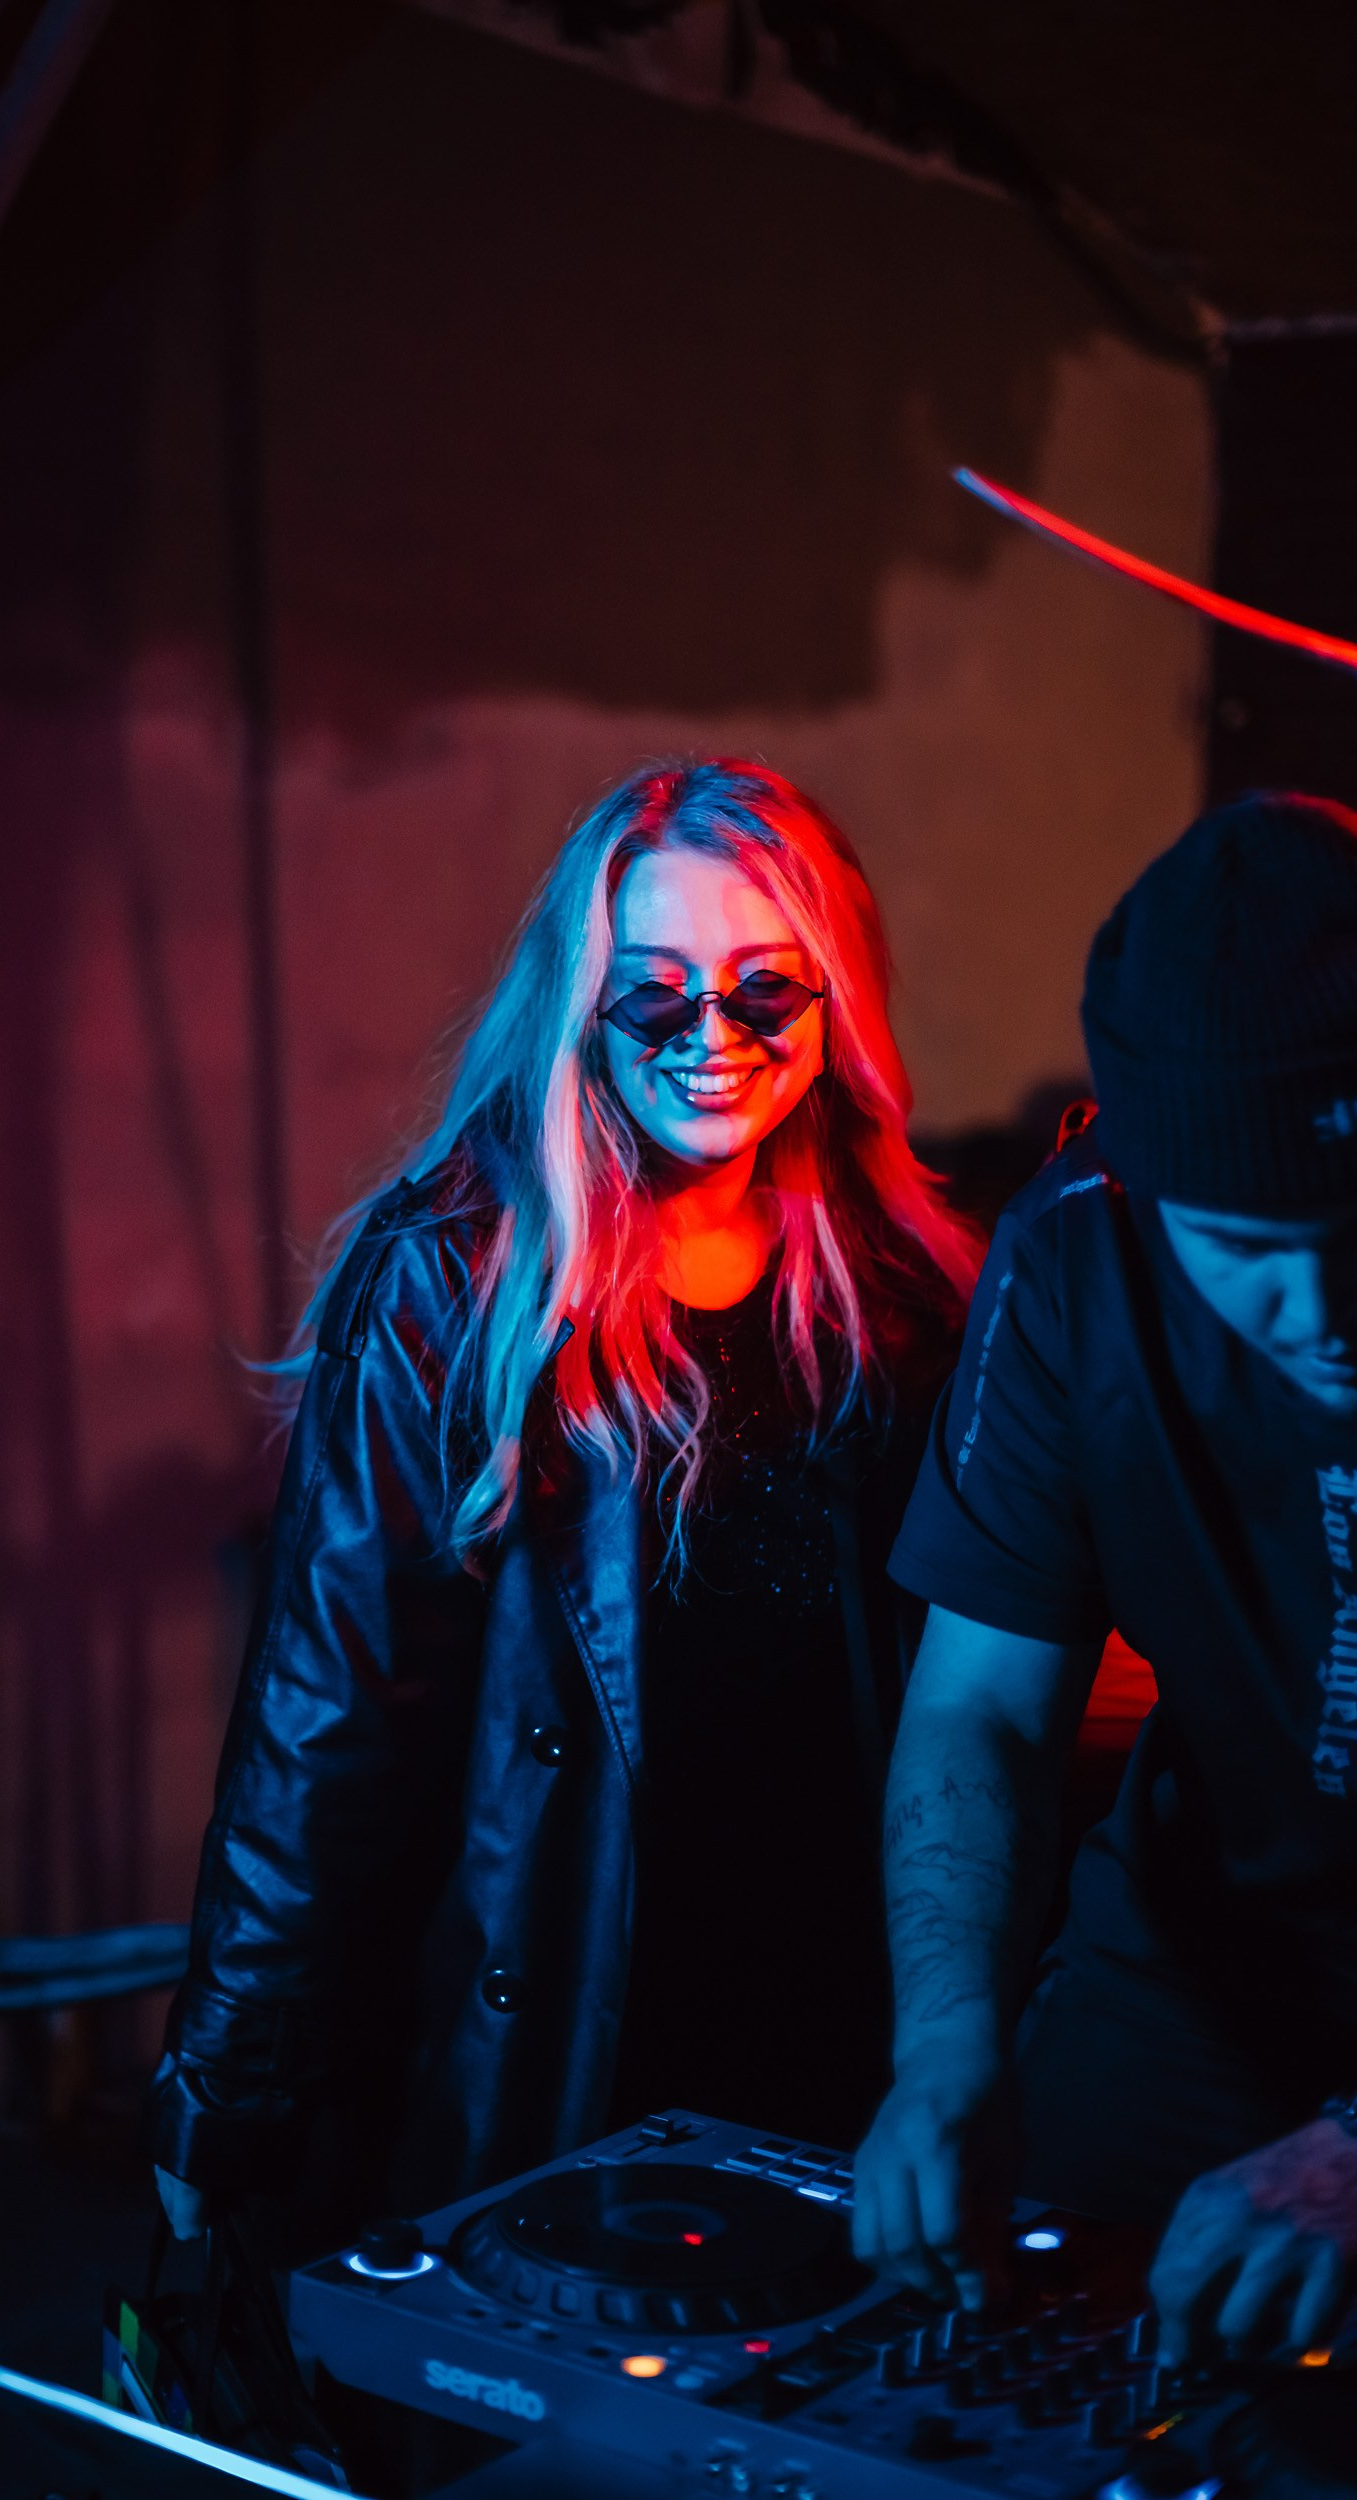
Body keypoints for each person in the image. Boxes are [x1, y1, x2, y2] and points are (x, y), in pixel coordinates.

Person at [149, 759, 978, 2247]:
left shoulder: (900, 1292)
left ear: (833, 1004)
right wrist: (227, 2098)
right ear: (580, 1008)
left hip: (835, 2041)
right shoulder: (455, 1283)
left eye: (764, 991)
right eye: (655, 996)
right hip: (568, 2044)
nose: (712, 1040)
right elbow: (328, 1725)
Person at [853, 792, 1357, 2367]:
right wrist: (946, 2048)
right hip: (1204, 1963)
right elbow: (984, 1704)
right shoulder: (1075, 1249)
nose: (1321, 1306)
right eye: (1242, 1245)